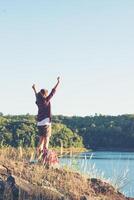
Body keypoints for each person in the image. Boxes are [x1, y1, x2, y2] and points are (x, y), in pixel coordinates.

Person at [32, 77, 60, 160]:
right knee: (46, 142)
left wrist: (34, 89)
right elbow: (53, 91)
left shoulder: (39, 101)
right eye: (47, 94)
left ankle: (38, 158)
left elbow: (37, 96)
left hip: (39, 124)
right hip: (46, 123)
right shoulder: (45, 100)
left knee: (40, 141)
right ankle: (44, 160)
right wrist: (58, 82)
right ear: (45, 94)